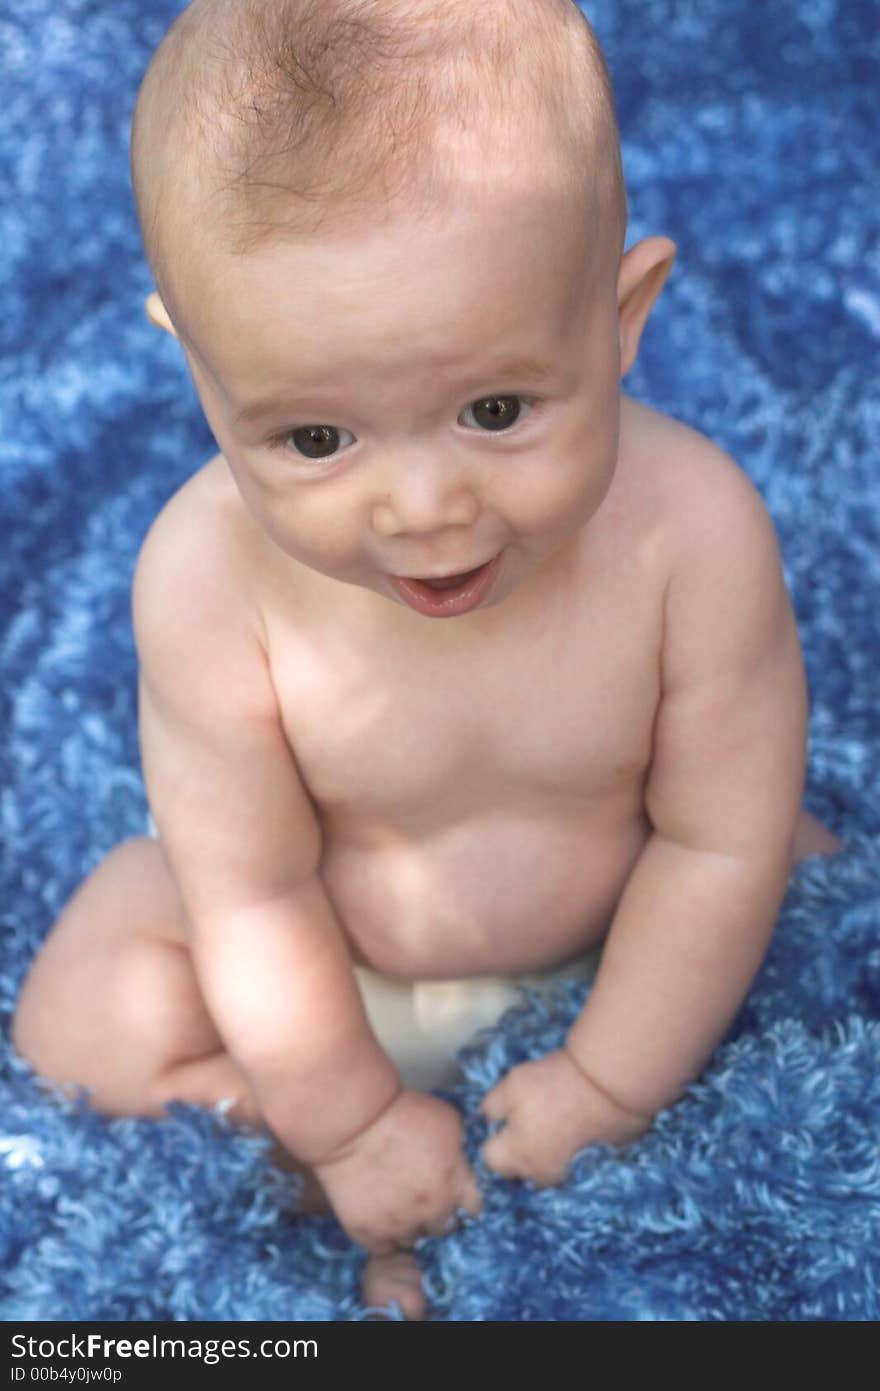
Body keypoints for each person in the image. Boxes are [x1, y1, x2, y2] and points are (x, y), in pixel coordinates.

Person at [13, 0, 840, 1319]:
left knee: (792, 874)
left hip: (631, 933)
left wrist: (610, 1082)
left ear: (623, 319)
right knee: (81, 1012)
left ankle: (492, 1171)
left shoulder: (692, 535)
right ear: (202, 372)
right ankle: (370, 1187)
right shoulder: (205, 579)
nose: (420, 507)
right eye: (316, 441)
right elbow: (255, 897)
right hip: (336, 970)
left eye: (496, 411)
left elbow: (713, 846)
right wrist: (343, 1119)